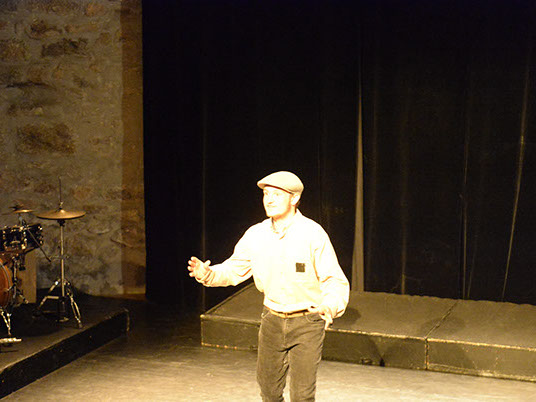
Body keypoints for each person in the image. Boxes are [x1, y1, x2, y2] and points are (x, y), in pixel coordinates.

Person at [188, 171, 349, 401]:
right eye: (266, 194)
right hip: (272, 320)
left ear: (294, 198)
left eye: (277, 194)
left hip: (307, 321)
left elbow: (334, 280)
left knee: (302, 395)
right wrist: (209, 274)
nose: (269, 200)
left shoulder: (313, 234)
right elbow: (234, 269)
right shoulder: (256, 234)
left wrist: (330, 305)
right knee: (269, 391)